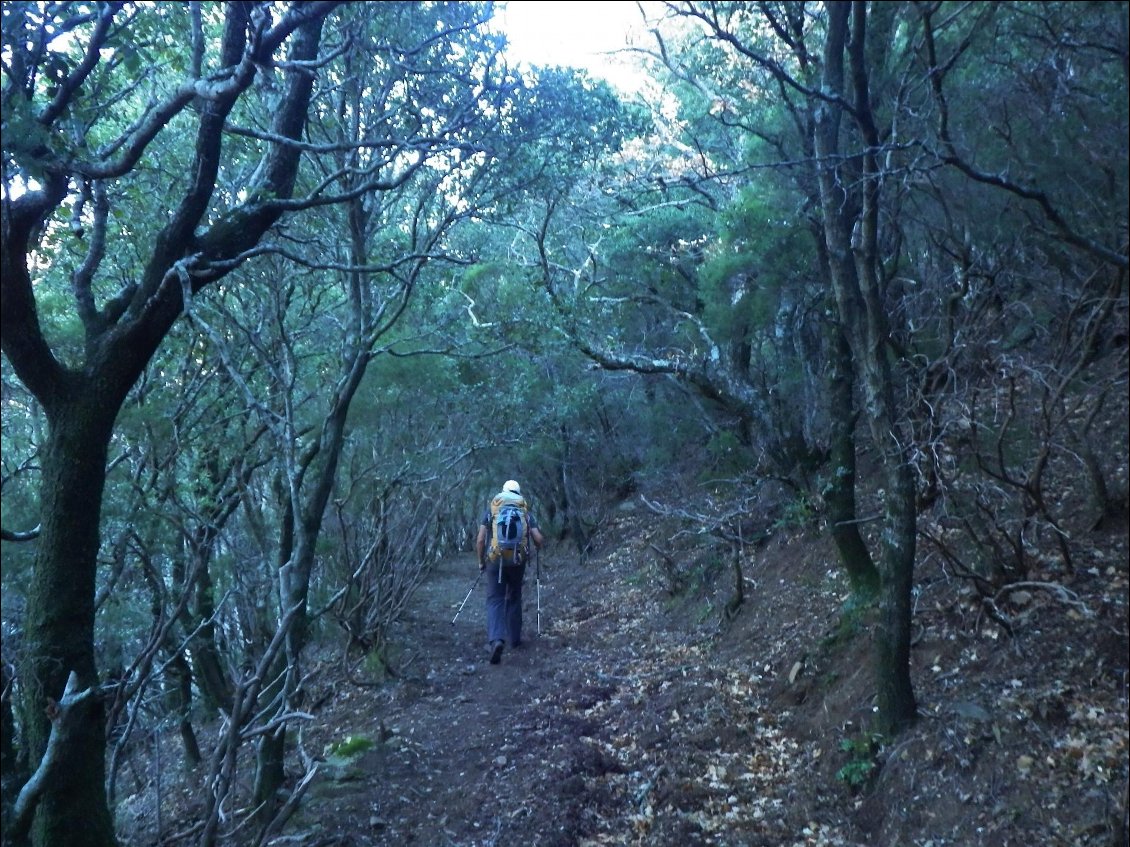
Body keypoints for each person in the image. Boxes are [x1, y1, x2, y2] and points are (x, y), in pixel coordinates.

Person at [475, 479, 545, 664]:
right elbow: (538, 538)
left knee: (495, 599)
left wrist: (481, 561)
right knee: (514, 596)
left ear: (503, 491)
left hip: (495, 559)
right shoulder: (523, 510)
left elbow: (481, 540)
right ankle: (515, 639)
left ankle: (497, 640)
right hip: (517, 560)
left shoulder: (494, 507)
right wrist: (537, 546)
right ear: (518, 493)